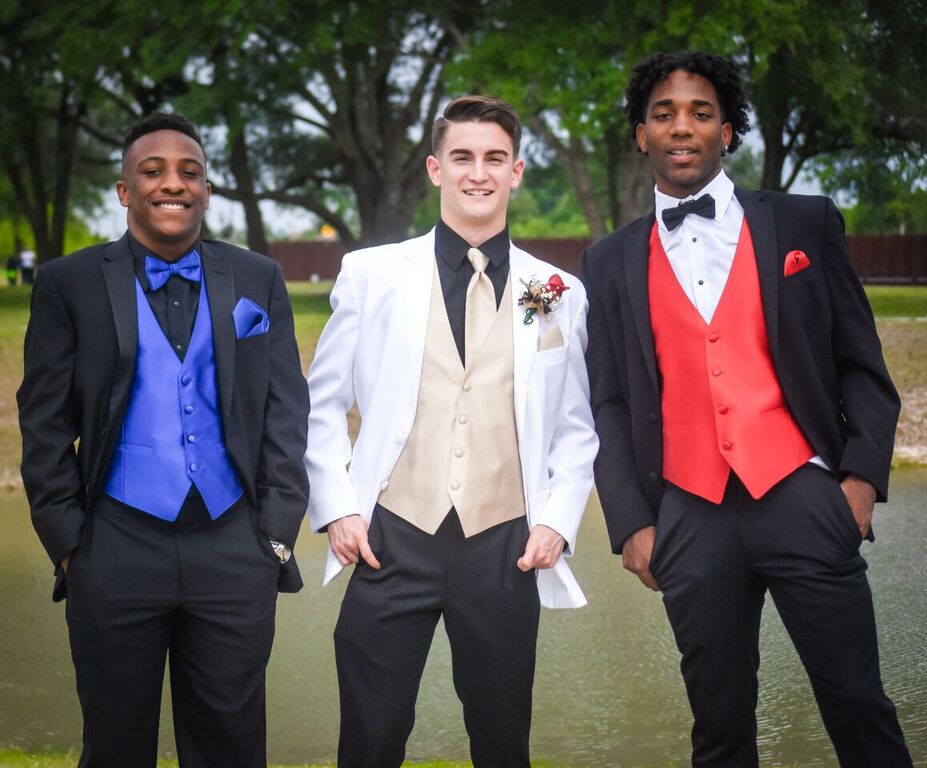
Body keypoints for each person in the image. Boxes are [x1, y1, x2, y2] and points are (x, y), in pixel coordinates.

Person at [581, 52, 912, 767]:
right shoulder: (606, 261)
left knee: (857, 705)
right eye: (662, 113)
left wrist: (857, 482)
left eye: (700, 113)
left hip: (801, 493)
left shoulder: (803, 223)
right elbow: (605, 402)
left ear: (726, 131)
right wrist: (632, 523)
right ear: (640, 134)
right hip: (688, 513)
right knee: (719, 724)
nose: (681, 127)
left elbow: (862, 366)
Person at [305, 95, 598, 767]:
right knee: (370, 741)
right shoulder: (374, 274)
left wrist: (556, 520)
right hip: (391, 538)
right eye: (462, 157)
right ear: (435, 169)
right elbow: (319, 405)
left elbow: (575, 428)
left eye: (494, 158)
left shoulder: (552, 290)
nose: (478, 173)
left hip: (504, 546)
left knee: (502, 746)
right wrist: (339, 508)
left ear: (516, 171)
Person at [17, 112, 310, 767]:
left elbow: (287, 409)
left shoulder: (257, 278)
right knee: (116, 747)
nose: (172, 183)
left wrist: (277, 528)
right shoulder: (69, 283)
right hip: (114, 545)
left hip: (234, 543)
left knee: (231, 747)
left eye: (189, 172)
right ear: (125, 190)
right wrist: (71, 548)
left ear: (207, 190)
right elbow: (42, 425)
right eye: (152, 171)